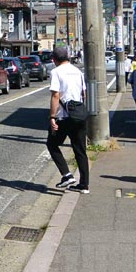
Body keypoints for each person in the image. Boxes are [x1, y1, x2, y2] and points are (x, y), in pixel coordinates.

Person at [46, 46, 89, 194]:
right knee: (80, 150)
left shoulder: (56, 72)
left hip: (64, 116)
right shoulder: (78, 71)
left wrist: (52, 117)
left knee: (52, 144)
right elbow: (84, 94)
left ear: (54, 59)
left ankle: (67, 175)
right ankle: (84, 185)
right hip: (79, 114)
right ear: (68, 57)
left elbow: (56, 95)